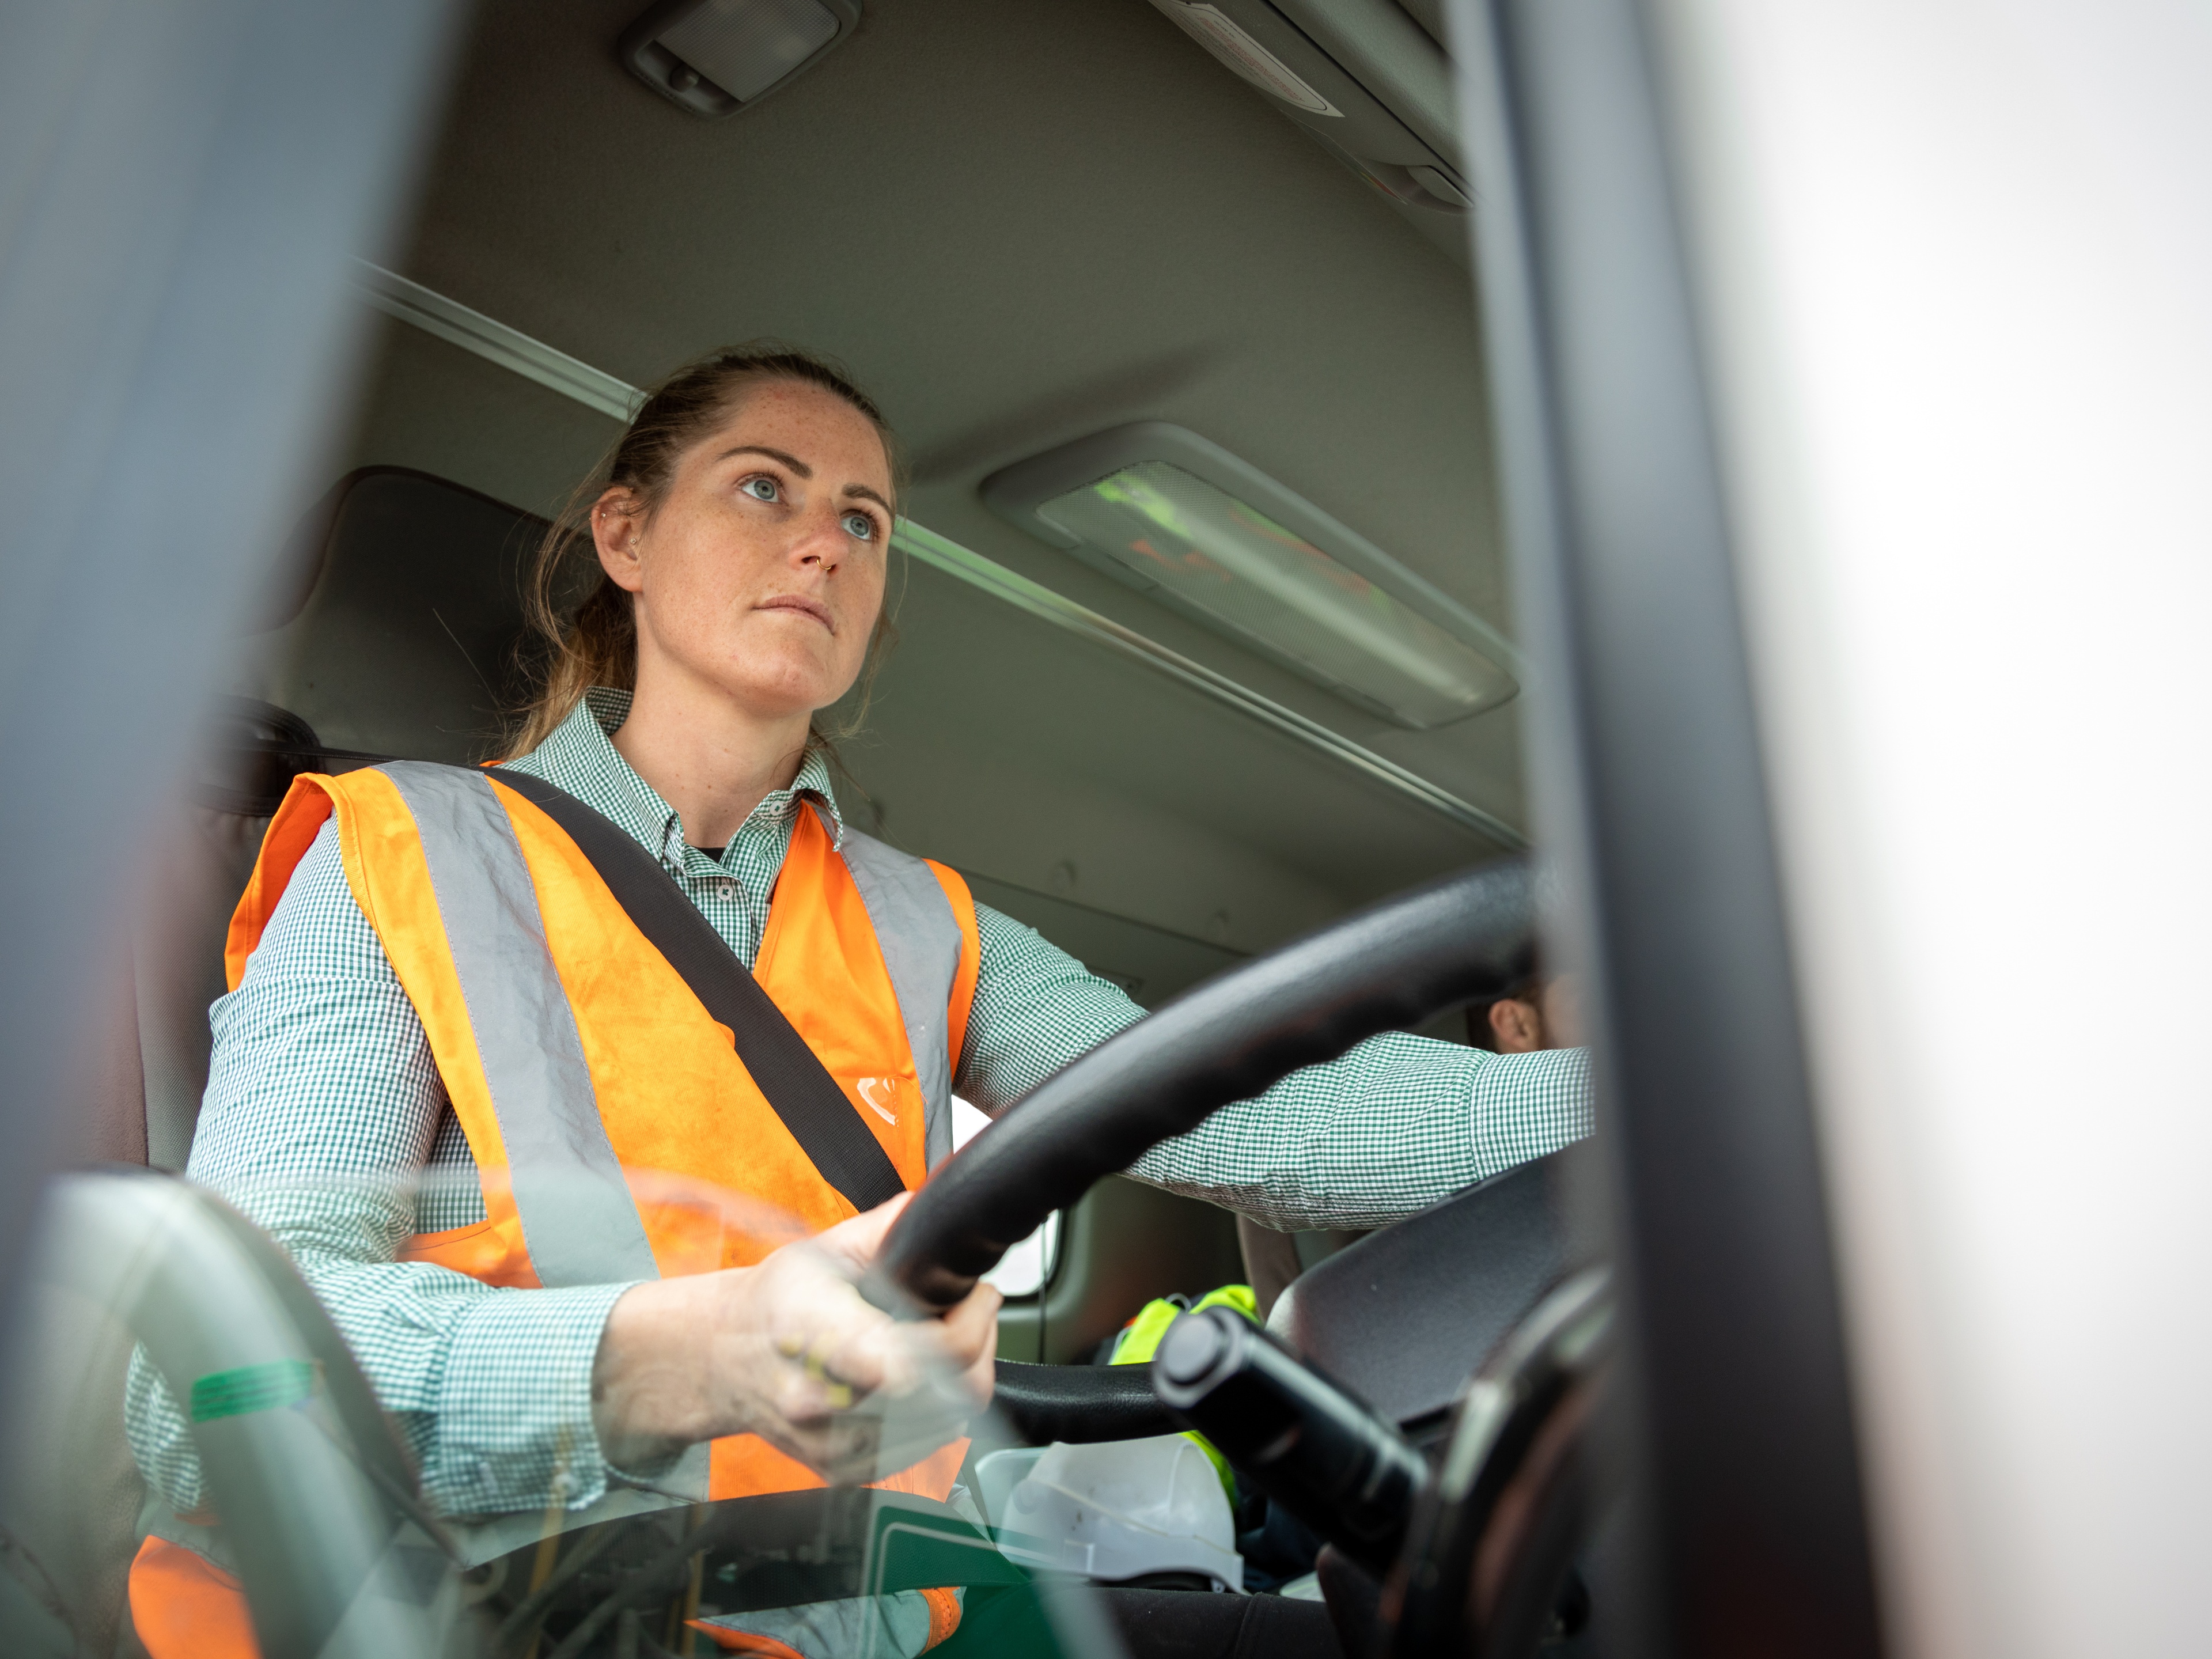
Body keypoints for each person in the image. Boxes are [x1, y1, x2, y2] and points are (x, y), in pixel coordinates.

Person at [122, 347, 1592, 1657]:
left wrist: (1731, 1083)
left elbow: (1270, 1102)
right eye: (765, 488)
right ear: (625, 536)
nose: (825, 539)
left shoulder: (921, 918)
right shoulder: (403, 851)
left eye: (866, 521)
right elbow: (202, 1393)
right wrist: (701, 1351)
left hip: (870, 1601)